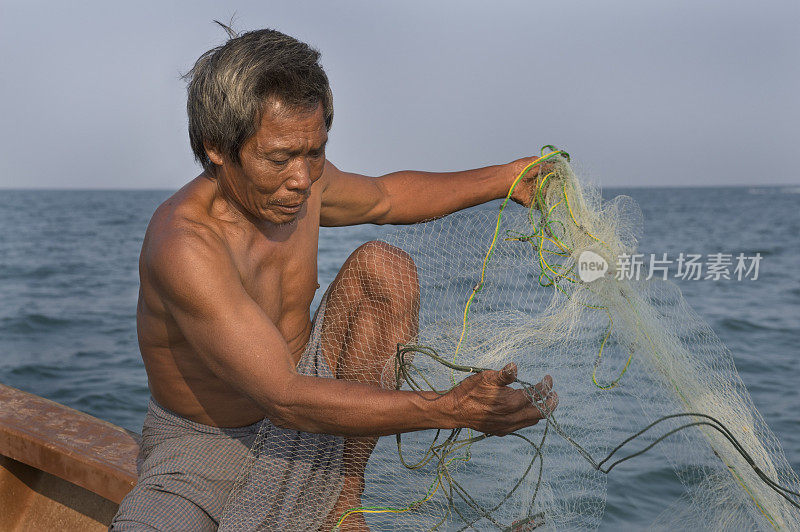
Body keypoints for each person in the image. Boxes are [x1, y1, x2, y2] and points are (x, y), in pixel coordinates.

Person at [111, 26, 558, 531]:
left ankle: (344, 501)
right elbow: (281, 395)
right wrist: (453, 408)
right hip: (206, 450)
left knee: (382, 268)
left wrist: (507, 178)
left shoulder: (304, 184)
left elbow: (387, 198)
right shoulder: (184, 244)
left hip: (315, 424)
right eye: (279, 158)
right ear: (218, 147)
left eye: (315, 151)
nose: (302, 178)